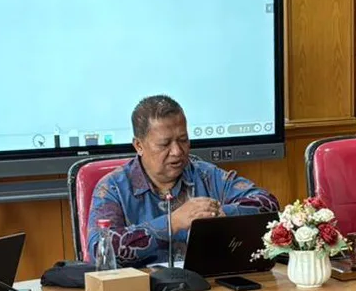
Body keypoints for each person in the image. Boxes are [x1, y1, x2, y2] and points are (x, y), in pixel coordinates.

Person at [86, 94, 279, 266]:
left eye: (183, 140)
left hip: (208, 289)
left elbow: (267, 203)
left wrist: (217, 214)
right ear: (139, 145)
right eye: (164, 144)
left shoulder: (206, 175)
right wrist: (171, 223)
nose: (177, 152)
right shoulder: (113, 188)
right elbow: (99, 251)